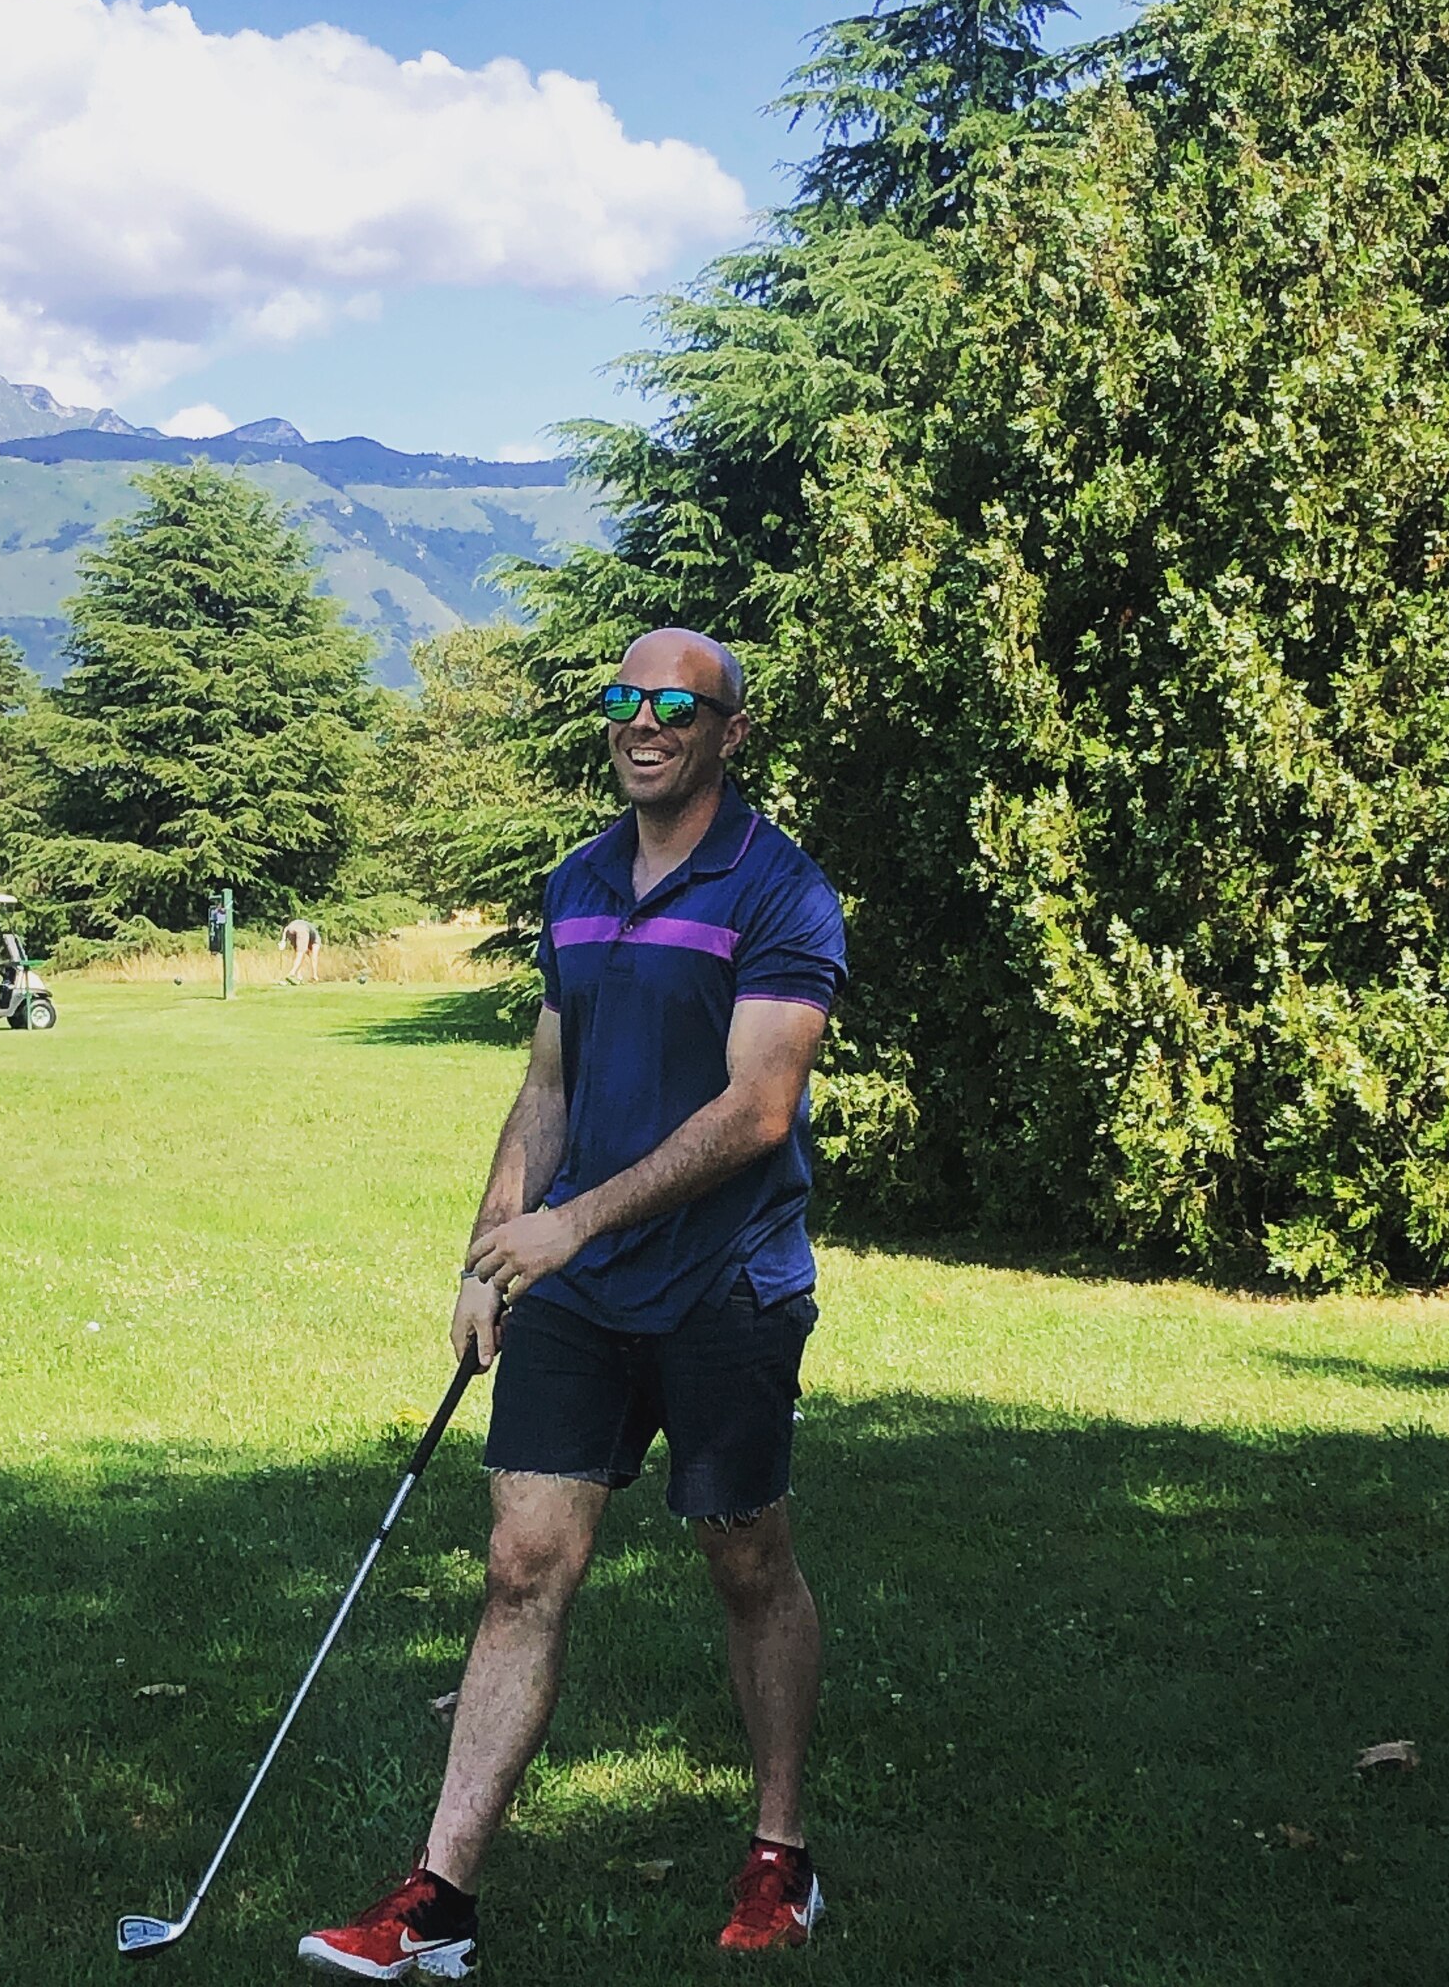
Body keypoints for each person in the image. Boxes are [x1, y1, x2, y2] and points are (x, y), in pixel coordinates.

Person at [299, 629, 847, 1977]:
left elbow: (757, 1108)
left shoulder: (780, 891)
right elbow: (552, 1076)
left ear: (729, 730)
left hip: (726, 1288)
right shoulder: (580, 881)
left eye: (675, 703)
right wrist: (495, 1249)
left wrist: (572, 1221)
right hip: (580, 1297)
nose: (642, 721)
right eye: (624, 699)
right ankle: (438, 1901)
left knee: (745, 1559)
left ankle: (781, 1859)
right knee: (521, 1569)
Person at [280, 916, 322, 983]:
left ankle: (299, 976)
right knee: (302, 953)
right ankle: (292, 973)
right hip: (302, 929)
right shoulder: (316, 939)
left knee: (298, 953)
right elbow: (314, 957)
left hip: (290, 929)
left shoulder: (290, 926)